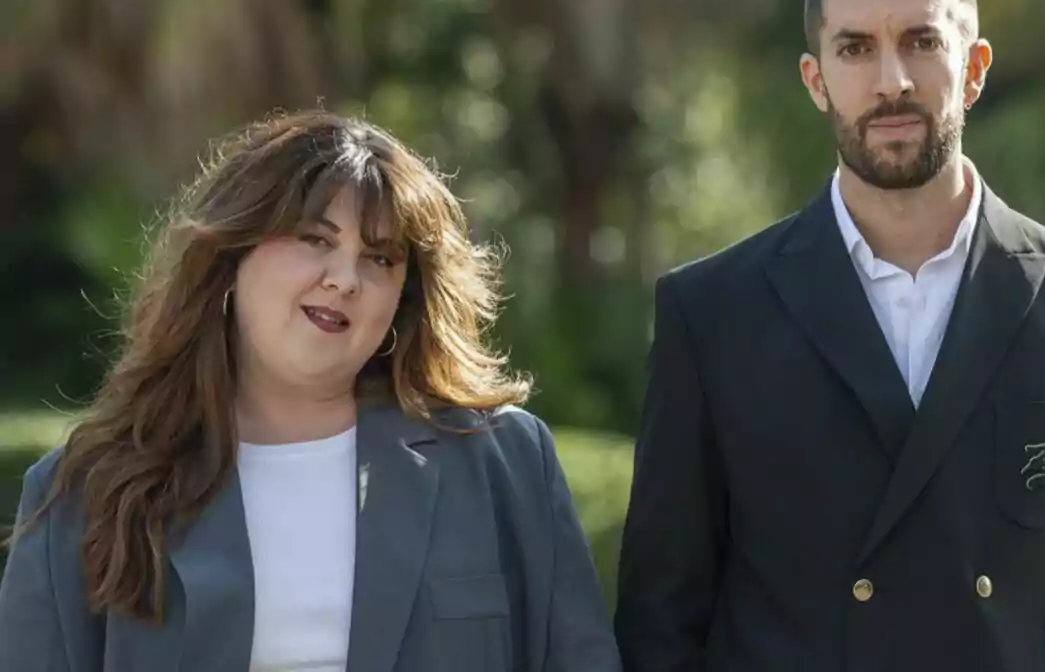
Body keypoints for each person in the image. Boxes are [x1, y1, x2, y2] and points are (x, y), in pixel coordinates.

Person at [613, 0, 1045, 672]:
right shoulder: (710, 314)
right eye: (856, 48)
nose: (892, 81)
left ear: (974, 67)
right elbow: (660, 627)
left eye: (922, 42)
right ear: (816, 80)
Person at [0, 110, 620, 672]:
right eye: (315, 240)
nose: (345, 279)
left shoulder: (502, 461)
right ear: (230, 257)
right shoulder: (89, 491)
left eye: (379, 259)